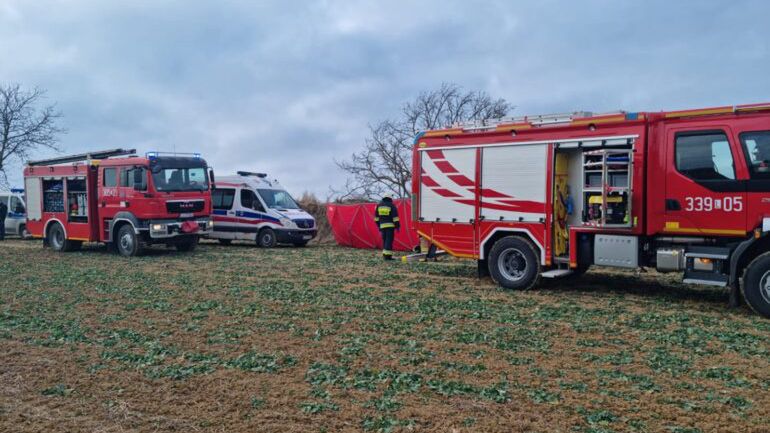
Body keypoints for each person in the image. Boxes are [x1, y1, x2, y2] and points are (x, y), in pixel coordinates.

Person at [374, 195, 399, 260]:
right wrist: (397, 226)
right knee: (389, 240)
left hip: (382, 226)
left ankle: (385, 254)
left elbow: (376, 218)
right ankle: (387, 256)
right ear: (390, 198)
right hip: (390, 226)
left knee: (385, 240)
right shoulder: (391, 205)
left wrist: (379, 226)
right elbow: (395, 217)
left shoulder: (379, 206)